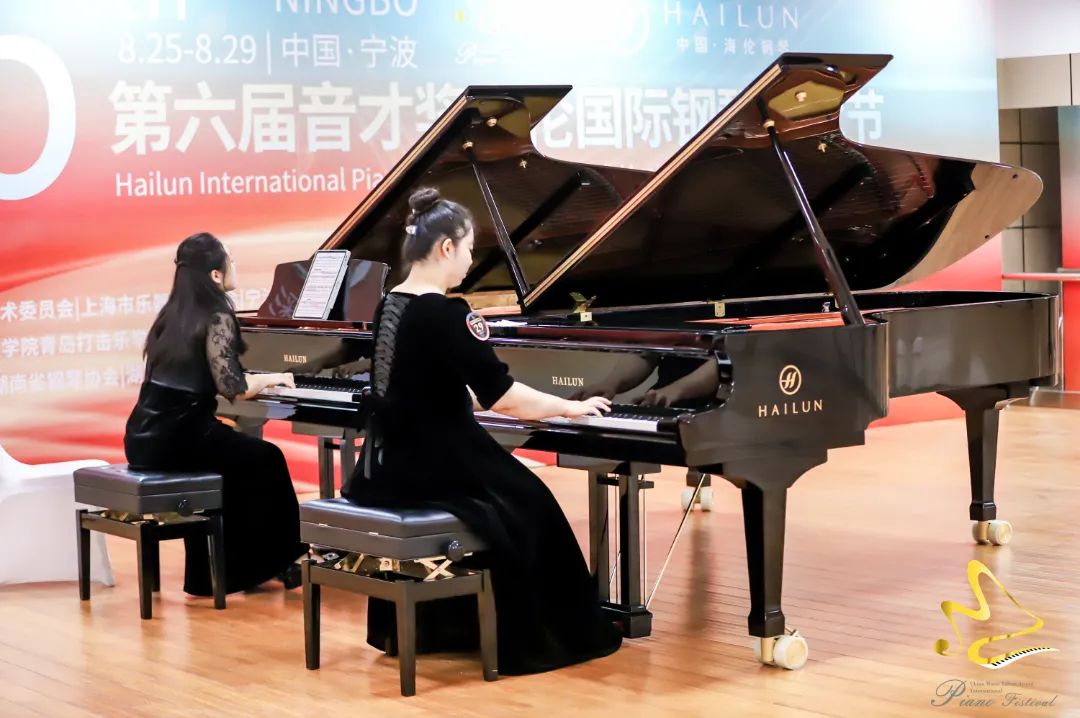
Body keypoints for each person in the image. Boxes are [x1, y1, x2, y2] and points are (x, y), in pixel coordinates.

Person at [342, 188, 623, 675]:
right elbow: (503, 397)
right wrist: (569, 407)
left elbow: (419, 385)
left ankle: (450, 627)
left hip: (393, 464)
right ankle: (547, 638)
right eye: (469, 248)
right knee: (534, 507)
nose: (471, 260)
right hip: (440, 461)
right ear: (446, 247)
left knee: (516, 504)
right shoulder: (447, 313)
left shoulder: (390, 305)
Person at [123, 232, 308, 596]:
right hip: (181, 437)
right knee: (267, 458)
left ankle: (216, 574)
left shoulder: (170, 314)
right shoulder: (218, 313)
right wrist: (273, 378)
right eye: (230, 259)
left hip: (144, 437)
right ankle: (280, 562)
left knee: (238, 461)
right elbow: (232, 386)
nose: (234, 264)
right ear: (215, 275)